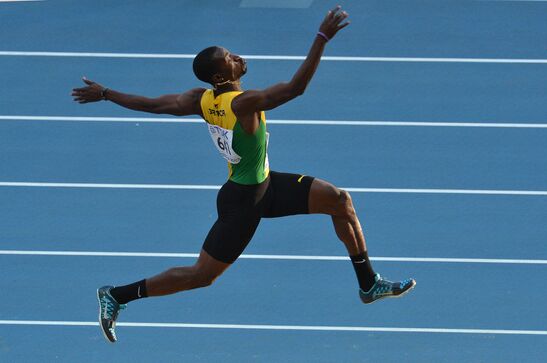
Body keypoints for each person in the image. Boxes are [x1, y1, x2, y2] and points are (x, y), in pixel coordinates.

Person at [72, 6, 415, 343]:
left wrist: (106, 94)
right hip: (243, 202)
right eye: (231, 59)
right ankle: (117, 295)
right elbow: (295, 88)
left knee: (340, 201)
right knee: (202, 276)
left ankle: (368, 284)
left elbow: (151, 104)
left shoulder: (200, 100)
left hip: (266, 184)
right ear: (222, 76)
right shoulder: (244, 103)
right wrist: (322, 38)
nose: (238, 57)